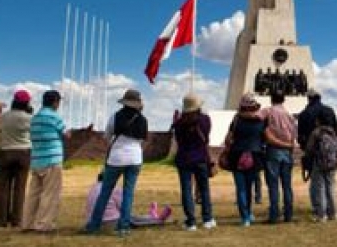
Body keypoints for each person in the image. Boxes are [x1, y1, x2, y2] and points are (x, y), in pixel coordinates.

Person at [84, 89, 149, 237]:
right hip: (135, 158)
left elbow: (107, 135)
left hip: (116, 158)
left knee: (105, 191)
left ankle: (94, 225)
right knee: (128, 193)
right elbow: (142, 140)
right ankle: (124, 227)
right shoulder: (143, 120)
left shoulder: (116, 116)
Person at [22, 90, 69, 233]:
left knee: (33, 194)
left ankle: (27, 223)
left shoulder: (34, 118)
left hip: (36, 160)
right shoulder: (55, 117)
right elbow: (66, 135)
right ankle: (44, 225)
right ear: (55, 102)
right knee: (50, 194)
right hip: (52, 160)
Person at [173, 93, 216, 231]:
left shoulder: (179, 124)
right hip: (201, 158)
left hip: (184, 158)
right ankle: (207, 219)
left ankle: (191, 221)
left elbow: (179, 141)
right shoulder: (205, 120)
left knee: (186, 190)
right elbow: (206, 138)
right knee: (204, 189)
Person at [226, 93, 265, 227]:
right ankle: (249, 212)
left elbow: (228, 139)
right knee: (249, 187)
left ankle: (245, 217)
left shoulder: (236, 120)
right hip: (254, 155)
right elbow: (264, 138)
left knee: (241, 188)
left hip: (237, 155)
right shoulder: (261, 120)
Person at [0, 90, 33, 227]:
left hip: (6, 152)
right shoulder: (29, 118)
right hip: (23, 152)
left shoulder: (4, 117)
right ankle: (16, 219)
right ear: (27, 103)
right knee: (20, 188)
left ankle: (2, 219)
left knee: (4, 187)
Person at [297, 88, 337, 206]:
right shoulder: (329, 111)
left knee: (316, 182)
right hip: (330, 152)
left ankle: (319, 207)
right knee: (330, 182)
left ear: (309, 98)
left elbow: (300, 137)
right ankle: (331, 209)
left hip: (312, 152)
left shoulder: (304, 114)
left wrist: (305, 150)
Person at [261, 90, 298, 224]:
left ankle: (274, 215)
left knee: (273, 185)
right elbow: (294, 134)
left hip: (273, 150)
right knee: (287, 185)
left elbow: (256, 117)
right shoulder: (289, 116)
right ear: (283, 100)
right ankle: (288, 214)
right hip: (287, 151)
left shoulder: (268, 111)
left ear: (272, 99)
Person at [84, 172, 171, 228]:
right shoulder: (114, 189)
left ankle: (151, 216)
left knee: (133, 217)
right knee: (132, 220)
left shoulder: (93, 188)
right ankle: (158, 220)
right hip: (110, 222)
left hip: (92, 221)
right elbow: (124, 208)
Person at [305, 112, 337, 222]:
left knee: (320, 188)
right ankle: (333, 214)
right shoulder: (332, 132)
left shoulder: (316, 132)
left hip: (319, 163)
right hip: (332, 164)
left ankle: (321, 215)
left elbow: (309, 148)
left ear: (319, 121)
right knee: (331, 188)